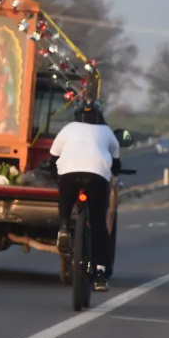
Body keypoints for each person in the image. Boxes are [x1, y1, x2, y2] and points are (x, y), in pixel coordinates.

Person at [49, 98, 120, 292]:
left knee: (65, 197)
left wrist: (56, 175)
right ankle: (99, 275)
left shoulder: (68, 129)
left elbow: (53, 158)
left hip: (69, 175)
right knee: (99, 225)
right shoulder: (106, 131)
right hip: (97, 177)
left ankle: (63, 227)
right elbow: (116, 162)